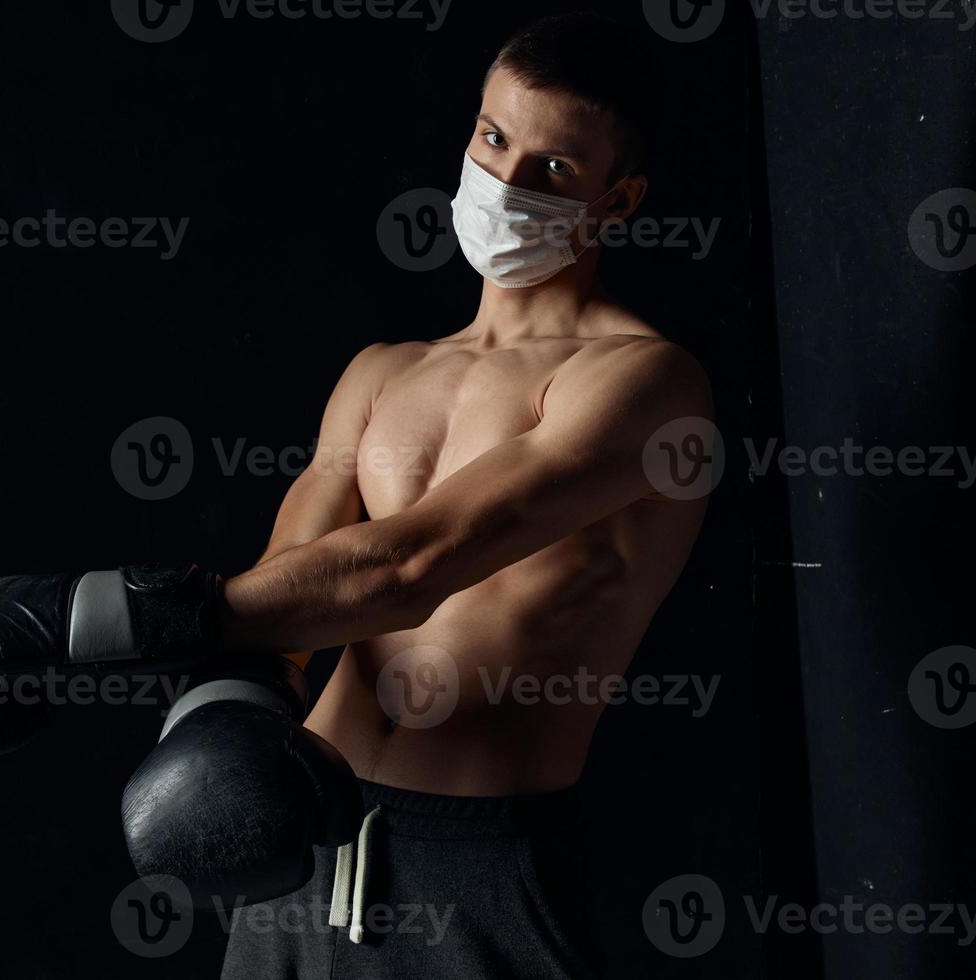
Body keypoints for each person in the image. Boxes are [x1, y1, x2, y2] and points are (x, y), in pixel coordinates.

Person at [215, 11, 711, 978]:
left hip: (475, 857)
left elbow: (411, 566)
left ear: (617, 201)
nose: (506, 184)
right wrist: (216, 716)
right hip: (303, 837)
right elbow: (286, 602)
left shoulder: (644, 384)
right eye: (493, 139)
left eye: (554, 170)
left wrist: (103, 617)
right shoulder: (382, 371)